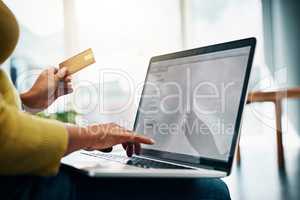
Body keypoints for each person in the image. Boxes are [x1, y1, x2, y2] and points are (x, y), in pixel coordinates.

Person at [0, 1, 230, 199]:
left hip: (18, 173)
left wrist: (29, 102)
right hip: (18, 185)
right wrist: (92, 135)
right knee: (210, 190)